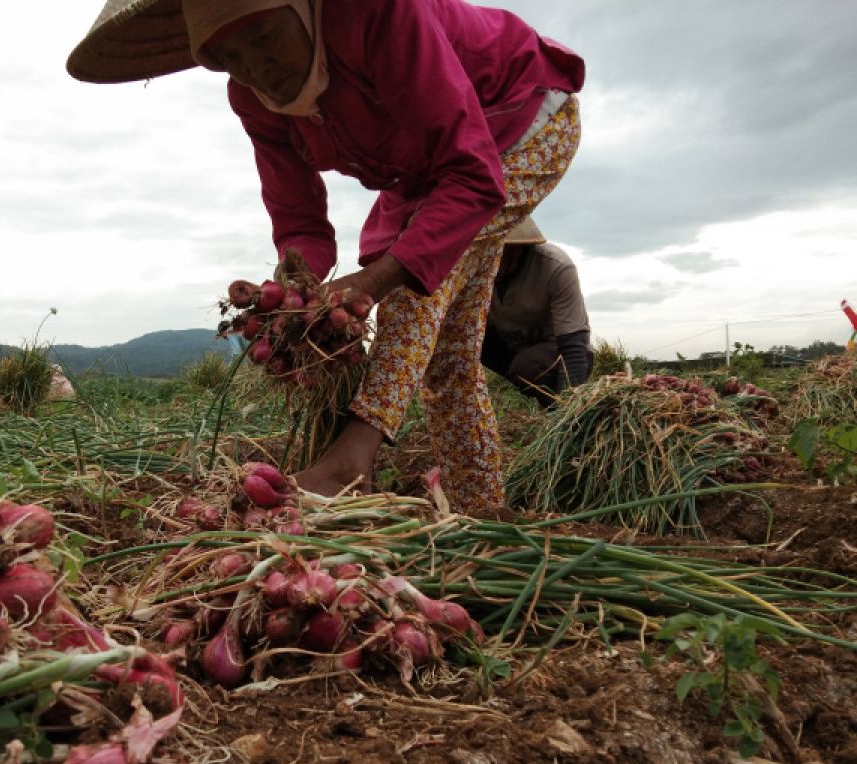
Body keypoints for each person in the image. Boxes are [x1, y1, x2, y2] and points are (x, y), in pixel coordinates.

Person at [68, 0, 584, 511]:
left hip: (523, 115)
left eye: (263, 35)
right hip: (428, 170)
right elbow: (298, 217)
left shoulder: (380, 15)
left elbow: (470, 175)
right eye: (228, 57)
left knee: (408, 280)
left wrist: (374, 280)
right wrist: (295, 287)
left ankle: (351, 458)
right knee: (447, 363)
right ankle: (480, 508)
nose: (254, 66)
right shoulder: (251, 97)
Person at [482, 218, 593, 407]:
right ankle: (541, 396)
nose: (487, 257)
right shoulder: (478, 271)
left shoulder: (555, 266)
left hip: (557, 351)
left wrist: (571, 410)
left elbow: (573, 345)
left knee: (526, 367)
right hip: (513, 351)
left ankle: (560, 407)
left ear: (517, 248)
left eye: (496, 250)